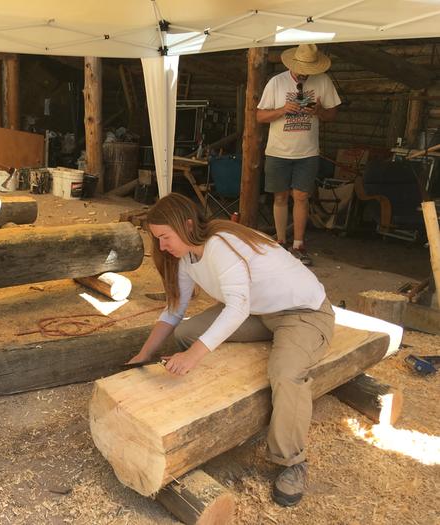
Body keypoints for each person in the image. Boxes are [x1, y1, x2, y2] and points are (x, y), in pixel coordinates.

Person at [128, 192, 334, 507]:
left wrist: (194, 356)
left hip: (302, 312)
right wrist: (145, 354)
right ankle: (202, 406)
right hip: (259, 312)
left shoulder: (220, 245)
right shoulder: (186, 257)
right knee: (186, 333)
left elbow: (236, 308)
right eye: (157, 239)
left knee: (286, 373)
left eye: (164, 237)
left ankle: (293, 462)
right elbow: (175, 310)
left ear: (185, 225)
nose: (161, 246)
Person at [256, 43, 341, 266]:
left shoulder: (322, 80)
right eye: (302, 69)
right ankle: (281, 242)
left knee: (302, 196)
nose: (305, 74)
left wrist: (318, 111)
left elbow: (332, 114)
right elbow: (259, 116)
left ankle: (298, 245)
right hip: (278, 151)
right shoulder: (277, 82)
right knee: (280, 196)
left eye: (309, 70)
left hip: (308, 151)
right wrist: (283, 109)